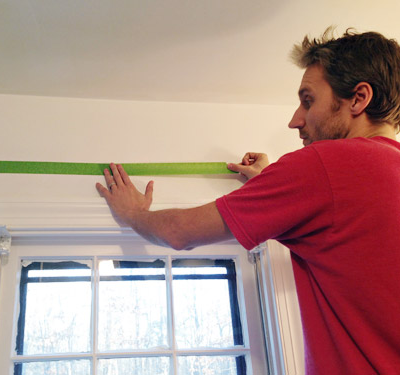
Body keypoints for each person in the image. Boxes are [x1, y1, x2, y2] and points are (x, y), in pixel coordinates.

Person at [96, 28, 400, 375]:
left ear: (358, 99)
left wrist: (132, 213)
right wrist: (272, 185)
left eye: (308, 100)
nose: (294, 120)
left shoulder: (325, 165)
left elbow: (179, 232)